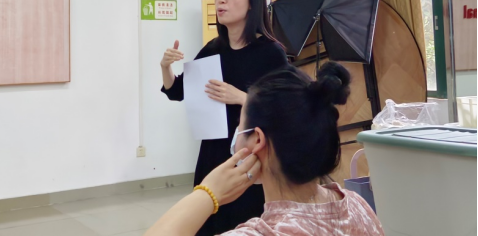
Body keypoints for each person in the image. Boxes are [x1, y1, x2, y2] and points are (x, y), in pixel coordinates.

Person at [147, 63, 385, 236]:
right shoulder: (357, 206)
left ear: (257, 140)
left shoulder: (264, 232)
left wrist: (207, 193)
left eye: (240, 124)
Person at [161, 0, 289, 235]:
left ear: (252, 2)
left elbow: (285, 106)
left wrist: (242, 98)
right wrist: (165, 67)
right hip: (212, 151)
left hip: (250, 155)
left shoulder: (271, 52)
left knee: (245, 223)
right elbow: (179, 91)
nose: (221, 0)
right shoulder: (213, 48)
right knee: (209, 219)